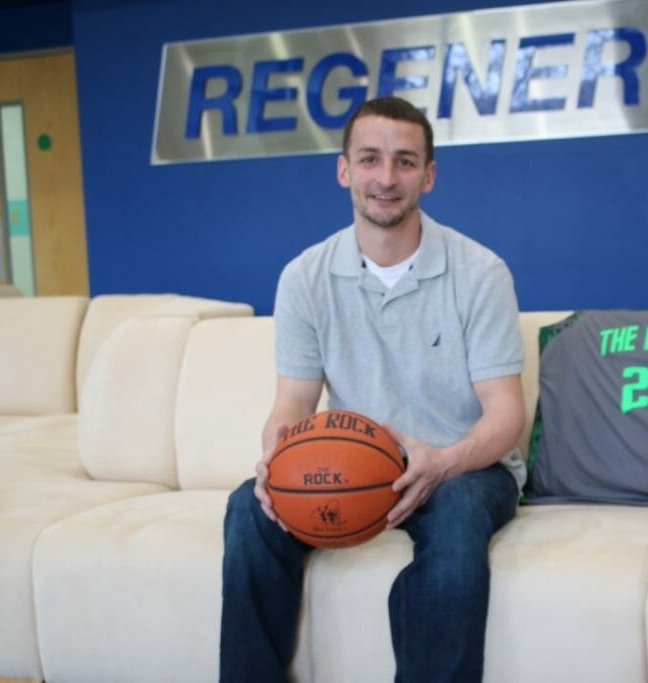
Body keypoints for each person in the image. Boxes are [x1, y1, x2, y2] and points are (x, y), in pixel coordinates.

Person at [219, 96, 527, 683]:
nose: (386, 178)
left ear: (429, 176)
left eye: (406, 161)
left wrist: (442, 462)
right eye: (370, 159)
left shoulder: (481, 273)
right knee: (246, 508)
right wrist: (272, 460)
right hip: (355, 466)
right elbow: (292, 404)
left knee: (458, 515)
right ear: (344, 170)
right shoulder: (304, 277)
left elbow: (504, 416)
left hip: (464, 467)